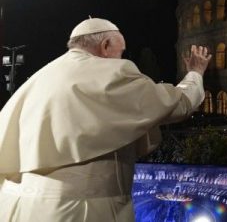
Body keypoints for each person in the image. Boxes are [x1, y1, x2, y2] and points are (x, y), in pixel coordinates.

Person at [0, 18, 212, 221]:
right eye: (120, 51)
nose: (121, 58)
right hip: (83, 209)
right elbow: (177, 104)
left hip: (18, 206)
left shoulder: (38, 78)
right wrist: (195, 73)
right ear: (106, 45)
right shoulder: (114, 72)